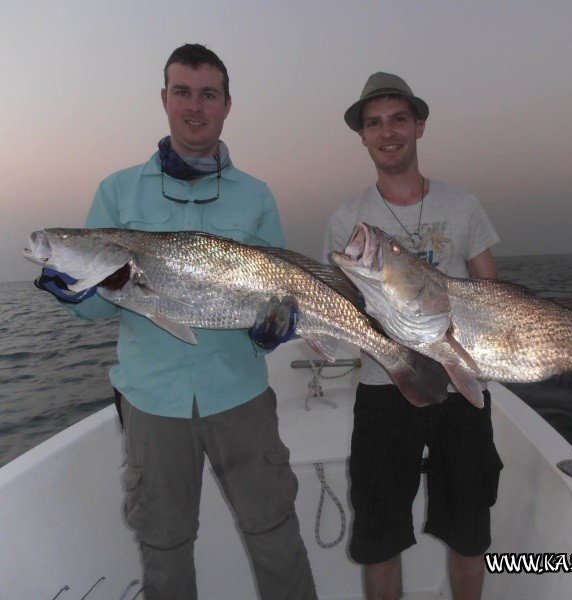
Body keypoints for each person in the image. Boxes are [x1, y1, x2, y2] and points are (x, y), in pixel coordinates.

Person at [33, 44, 317, 600]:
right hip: (152, 405)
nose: (194, 105)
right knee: (163, 547)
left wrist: (273, 331)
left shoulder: (256, 196)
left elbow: (280, 299)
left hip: (241, 398)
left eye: (208, 94)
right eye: (182, 92)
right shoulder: (117, 192)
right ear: (164, 99)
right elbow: (98, 304)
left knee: (275, 535)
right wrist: (72, 287)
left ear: (226, 105)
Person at [322, 72, 503, 600]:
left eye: (398, 119)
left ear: (418, 126)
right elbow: (340, 309)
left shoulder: (462, 205)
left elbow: (490, 289)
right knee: (380, 536)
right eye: (374, 123)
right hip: (383, 390)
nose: (387, 132)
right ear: (362, 136)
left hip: (461, 388)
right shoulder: (347, 221)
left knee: (469, 528)